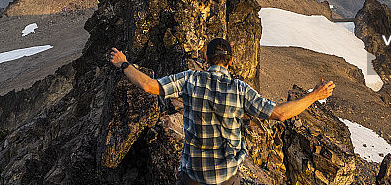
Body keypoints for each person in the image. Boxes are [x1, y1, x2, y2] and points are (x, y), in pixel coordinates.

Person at [108, 37, 336, 185]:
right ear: (231, 61)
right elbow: (280, 113)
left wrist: (124, 63)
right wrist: (315, 95)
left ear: (206, 58)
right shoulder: (240, 89)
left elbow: (148, 86)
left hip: (193, 175)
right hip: (226, 177)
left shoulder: (190, 79)